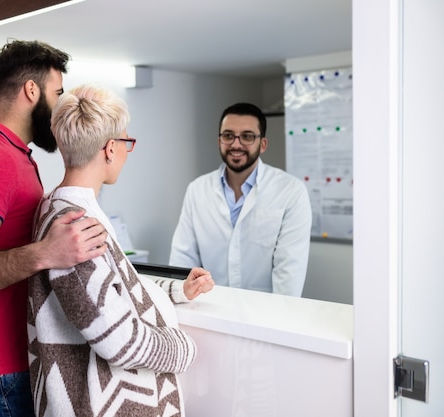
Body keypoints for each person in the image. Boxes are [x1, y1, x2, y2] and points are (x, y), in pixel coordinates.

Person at [0, 40, 109, 417]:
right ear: (31, 91)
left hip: (10, 363)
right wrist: (46, 252)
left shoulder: (11, 154)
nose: (62, 105)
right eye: (58, 93)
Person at [28, 84, 214, 417]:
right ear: (110, 149)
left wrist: (175, 291)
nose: (128, 152)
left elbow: (109, 287)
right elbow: (120, 342)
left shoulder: (60, 206)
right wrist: (184, 349)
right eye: (127, 142)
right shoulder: (75, 226)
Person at [169, 102, 312, 296]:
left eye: (247, 136)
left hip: (266, 313)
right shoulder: (197, 190)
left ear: (262, 144)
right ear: (219, 141)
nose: (236, 144)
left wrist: (277, 320)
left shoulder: (290, 191)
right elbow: (182, 261)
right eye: (228, 136)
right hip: (209, 308)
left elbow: (289, 274)